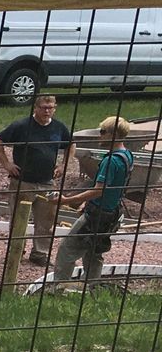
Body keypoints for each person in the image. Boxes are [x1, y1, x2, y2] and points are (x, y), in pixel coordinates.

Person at [51, 117, 136, 293]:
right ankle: (92, 288)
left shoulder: (110, 161)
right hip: (111, 212)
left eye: (102, 132)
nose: (99, 136)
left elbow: (99, 190)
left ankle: (59, 289)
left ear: (113, 135)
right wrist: (87, 202)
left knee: (67, 249)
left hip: (97, 215)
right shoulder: (127, 155)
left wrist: (67, 200)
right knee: (94, 251)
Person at [0, 91, 72, 265]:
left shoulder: (59, 127)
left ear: (55, 108)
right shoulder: (21, 126)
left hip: (47, 182)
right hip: (23, 182)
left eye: (50, 108)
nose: (47, 111)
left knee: (46, 220)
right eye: (43, 108)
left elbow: (71, 145)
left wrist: (64, 165)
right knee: (19, 219)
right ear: (36, 108)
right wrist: (7, 164)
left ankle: (40, 254)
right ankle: (17, 251)